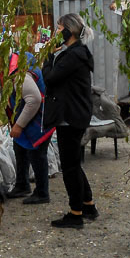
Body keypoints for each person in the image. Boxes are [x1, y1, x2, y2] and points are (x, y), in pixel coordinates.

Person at [42, 12, 97, 229]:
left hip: (70, 117)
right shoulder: (76, 53)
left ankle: (76, 214)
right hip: (75, 114)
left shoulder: (73, 55)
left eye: (58, 28)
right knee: (74, 163)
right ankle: (88, 204)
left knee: (70, 166)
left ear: (69, 30)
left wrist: (48, 56)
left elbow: (50, 79)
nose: (55, 33)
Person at [0, 51, 54, 204]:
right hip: (28, 121)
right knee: (20, 150)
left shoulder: (21, 74)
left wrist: (19, 126)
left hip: (37, 122)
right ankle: (22, 185)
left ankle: (42, 193)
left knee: (37, 155)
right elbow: (6, 96)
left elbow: (33, 100)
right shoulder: (13, 73)